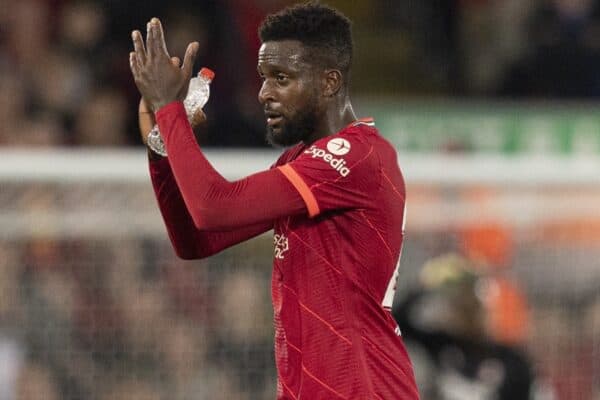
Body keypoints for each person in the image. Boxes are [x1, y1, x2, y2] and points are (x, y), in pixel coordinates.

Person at [129, 3, 418, 399]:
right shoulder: (301, 162)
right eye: (263, 77)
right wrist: (163, 144)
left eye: (281, 78)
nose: (265, 93)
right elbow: (196, 239)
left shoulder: (354, 156)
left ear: (329, 82)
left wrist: (170, 109)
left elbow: (213, 205)